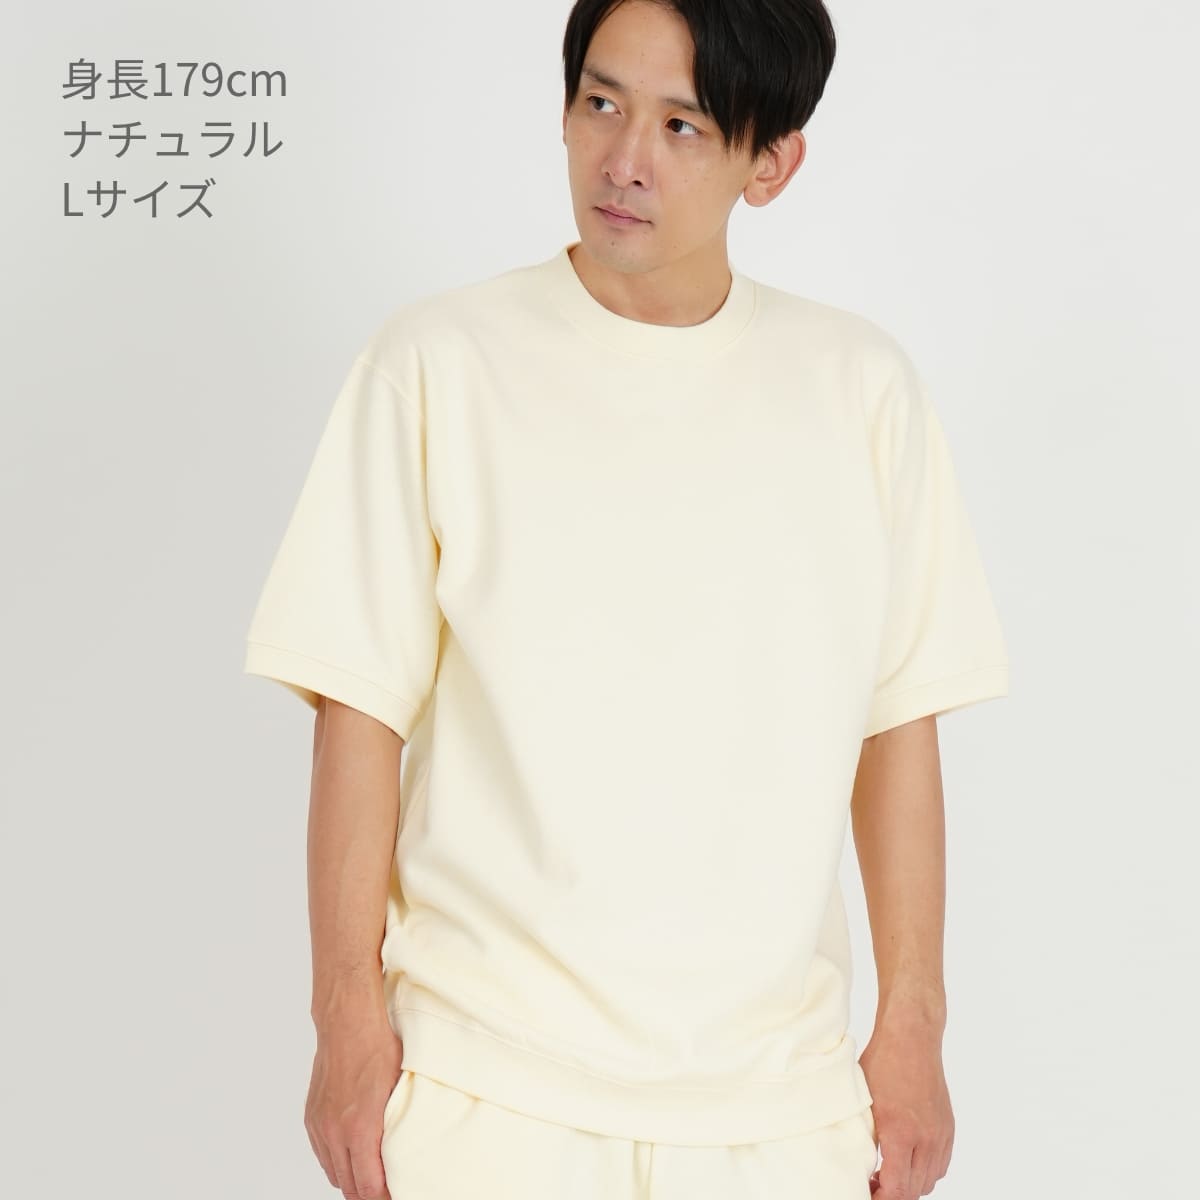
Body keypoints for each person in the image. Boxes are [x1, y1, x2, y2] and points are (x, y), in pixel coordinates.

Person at [242, 0, 1009, 1197]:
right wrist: (344, 1021)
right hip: (484, 1089)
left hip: (778, 1106)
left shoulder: (861, 390)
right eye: (600, 103)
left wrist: (915, 1028)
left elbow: (898, 724)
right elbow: (358, 709)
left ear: (772, 162)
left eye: (682, 126)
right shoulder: (438, 363)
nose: (624, 159)